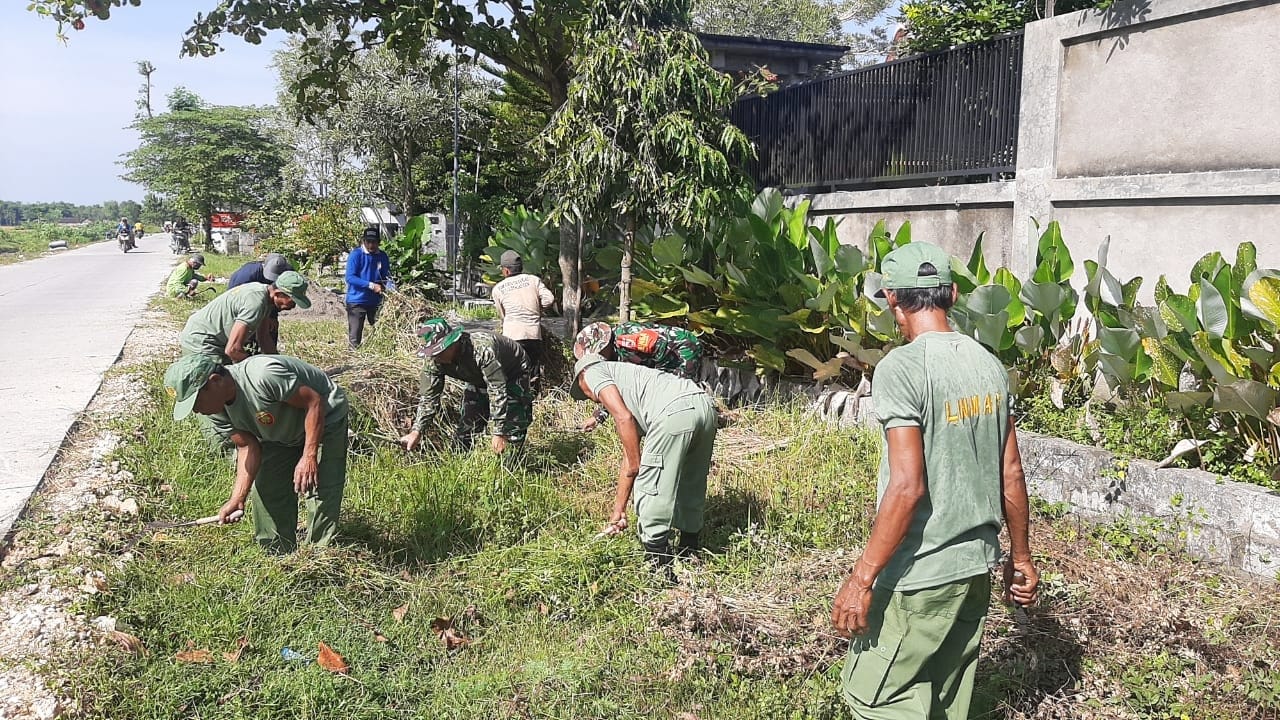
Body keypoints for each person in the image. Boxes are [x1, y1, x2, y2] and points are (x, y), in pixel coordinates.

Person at [828, 242, 1039, 720]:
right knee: (945, 699)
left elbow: (907, 487)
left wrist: (861, 580)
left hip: (920, 574)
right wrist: (1021, 557)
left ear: (891, 300)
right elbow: (1011, 472)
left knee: (874, 698)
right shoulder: (988, 365)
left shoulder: (902, 368)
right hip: (974, 571)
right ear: (954, 294)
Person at [162, 352, 349, 553]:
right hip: (280, 432)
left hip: (324, 417)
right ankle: (277, 554)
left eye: (196, 402)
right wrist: (237, 498)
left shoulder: (263, 375)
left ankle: (317, 555)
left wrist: (309, 456)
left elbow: (314, 403)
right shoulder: (216, 412)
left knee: (319, 487)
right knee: (267, 488)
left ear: (215, 381)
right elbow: (247, 446)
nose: (196, 411)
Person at [570, 353, 716, 571]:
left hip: (674, 413)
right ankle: (689, 553)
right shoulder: (634, 384)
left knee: (652, 487)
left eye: (585, 393)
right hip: (704, 406)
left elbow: (623, 418)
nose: (593, 399)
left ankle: (659, 565)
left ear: (582, 377)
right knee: (691, 480)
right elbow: (629, 458)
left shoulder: (593, 372)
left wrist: (641, 468)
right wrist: (619, 510)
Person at [399, 318, 532, 454]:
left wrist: (499, 432)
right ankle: (459, 460)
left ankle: (511, 464)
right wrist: (417, 431)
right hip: (477, 377)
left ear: (453, 342)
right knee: (468, 427)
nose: (436, 357)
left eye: (440, 351)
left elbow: (497, 389)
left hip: (513, 372)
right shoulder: (434, 360)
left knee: (512, 425)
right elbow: (429, 397)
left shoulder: (482, 349)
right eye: (433, 353)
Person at [573, 321, 703, 431]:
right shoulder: (611, 359)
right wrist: (598, 417)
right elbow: (616, 392)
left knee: (676, 397)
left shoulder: (626, 338)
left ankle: (704, 419)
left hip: (682, 350)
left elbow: (660, 344)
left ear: (604, 346)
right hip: (663, 360)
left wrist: (659, 378)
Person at [178, 271, 311, 363]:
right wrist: (256, 369)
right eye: (292, 301)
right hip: (202, 341)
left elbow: (264, 338)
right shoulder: (256, 302)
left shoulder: (264, 297)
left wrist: (280, 364)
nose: (293, 306)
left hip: (214, 341)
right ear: (278, 293)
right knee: (219, 390)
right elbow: (233, 350)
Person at [490, 250, 554, 382]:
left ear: (506, 271)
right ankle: (533, 398)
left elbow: (503, 316)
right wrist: (537, 309)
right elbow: (549, 299)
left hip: (512, 336)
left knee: (514, 372)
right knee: (533, 370)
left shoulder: (498, 288)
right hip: (533, 335)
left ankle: (517, 399)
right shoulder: (534, 280)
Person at [228, 253, 295, 354]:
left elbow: (277, 297)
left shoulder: (289, 273)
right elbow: (234, 297)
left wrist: (272, 315)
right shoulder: (248, 275)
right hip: (243, 304)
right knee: (246, 331)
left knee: (270, 329)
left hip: (267, 304)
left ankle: (269, 356)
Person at [344, 227, 392, 349]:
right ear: (363, 241)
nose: (371, 245)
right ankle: (353, 361)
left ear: (379, 242)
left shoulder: (382, 256)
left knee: (383, 331)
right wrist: (371, 285)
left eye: (374, 242)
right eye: (368, 241)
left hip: (375, 301)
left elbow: (386, 276)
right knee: (355, 337)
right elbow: (350, 277)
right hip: (357, 301)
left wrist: (390, 288)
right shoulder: (356, 255)